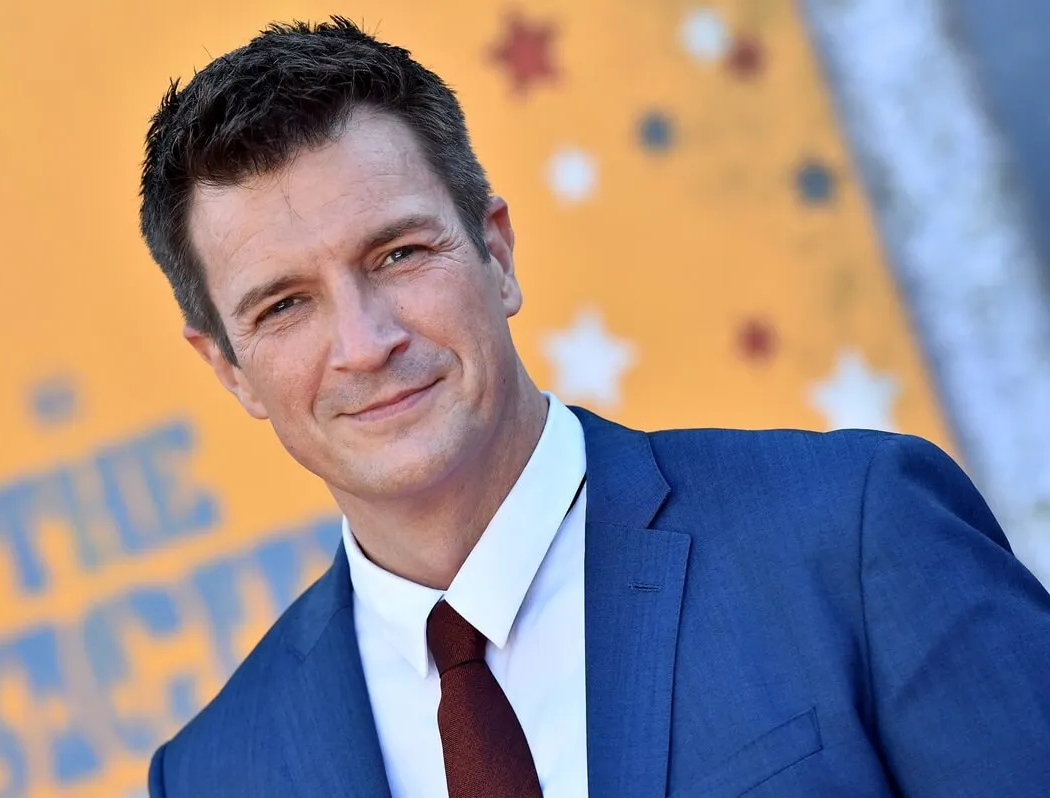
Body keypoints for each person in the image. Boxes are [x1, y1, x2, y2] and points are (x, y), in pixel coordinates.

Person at [137, 17, 1050, 798]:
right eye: (284, 306)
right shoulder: (216, 773)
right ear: (229, 369)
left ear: (495, 254)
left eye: (398, 255)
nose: (366, 341)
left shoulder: (852, 536)